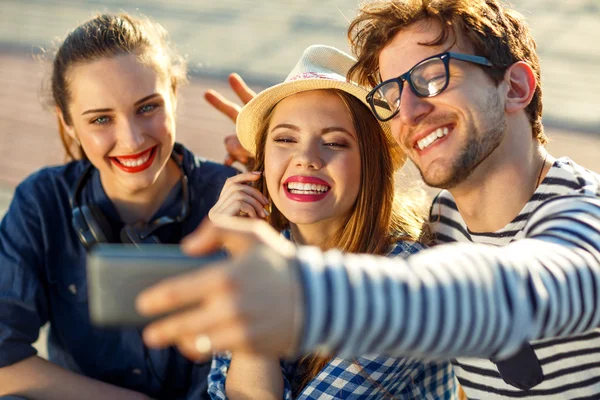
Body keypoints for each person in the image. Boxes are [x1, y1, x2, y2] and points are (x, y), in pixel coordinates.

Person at [136, 1, 600, 399]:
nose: (410, 112)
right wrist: (292, 160)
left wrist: (311, 292)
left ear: (516, 87)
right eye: (391, 95)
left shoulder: (585, 217)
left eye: (433, 77)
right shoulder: (448, 221)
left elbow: (523, 285)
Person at [0, 13, 237, 400]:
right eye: (101, 119)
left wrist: (280, 160)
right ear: (69, 123)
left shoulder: (231, 197)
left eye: (147, 108)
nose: (131, 139)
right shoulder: (42, 203)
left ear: (174, 95)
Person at [205, 44, 458, 400]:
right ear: (262, 158)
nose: (306, 158)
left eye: (335, 143)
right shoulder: (269, 250)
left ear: (371, 165)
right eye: (285, 139)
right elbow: (222, 390)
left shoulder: (404, 281)